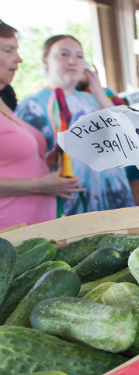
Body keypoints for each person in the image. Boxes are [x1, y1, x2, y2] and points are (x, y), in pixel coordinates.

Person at [16, 34, 135, 216]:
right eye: (63, 54)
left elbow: (127, 133)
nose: (73, 61)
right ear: (46, 61)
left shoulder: (92, 99)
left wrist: (100, 93)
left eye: (79, 56)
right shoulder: (33, 105)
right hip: (74, 204)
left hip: (116, 195)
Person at [0, 21, 83, 226]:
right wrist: (40, 184)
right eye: (8, 50)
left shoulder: (4, 99)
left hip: (36, 225)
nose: (18, 59)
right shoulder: (33, 103)